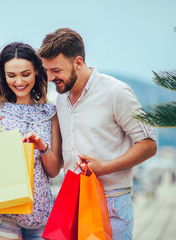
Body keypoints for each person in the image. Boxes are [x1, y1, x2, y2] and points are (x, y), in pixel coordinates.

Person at [38, 28, 157, 239]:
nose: (50, 77)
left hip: (111, 201)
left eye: (55, 70)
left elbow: (148, 144)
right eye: (46, 70)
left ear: (78, 62)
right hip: (73, 200)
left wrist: (104, 168)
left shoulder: (115, 92)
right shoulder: (61, 98)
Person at [0, 42, 63, 240]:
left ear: (37, 72)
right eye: (11, 75)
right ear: (2, 75)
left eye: (25, 74)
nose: (19, 81)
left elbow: (53, 170)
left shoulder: (50, 113)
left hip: (41, 215)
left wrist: (43, 147)